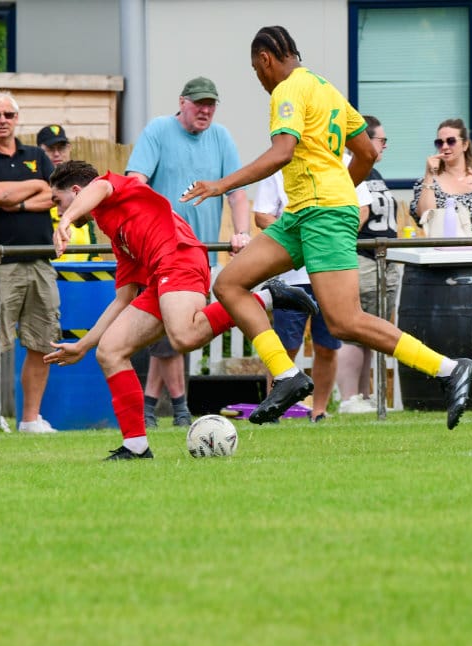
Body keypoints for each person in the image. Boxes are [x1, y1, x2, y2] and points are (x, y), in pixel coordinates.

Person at [181, 25, 472, 430]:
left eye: (256, 70)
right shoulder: (327, 90)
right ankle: (286, 375)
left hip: (322, 214)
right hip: (302, 213)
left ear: (266, 60)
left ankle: (449, 369)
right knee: (230, 284)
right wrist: (338, 190)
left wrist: (222, 185)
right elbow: (367, 153)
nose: (260, 80)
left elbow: (282, 153)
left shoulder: (287, 90)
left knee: (343, 321)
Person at [46, 160, 315, 460]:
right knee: (110, 351)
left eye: (58, 201)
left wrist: (66, 220)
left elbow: (100, 186)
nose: (58, 210)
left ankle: (266, 297)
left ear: (76, 191)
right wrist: (83, 346)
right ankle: (136, 446)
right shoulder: (115, 229)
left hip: (179, 258)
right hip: (159, 277)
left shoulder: (111, 187)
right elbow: (122, 299)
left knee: (184, 337)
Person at [125, 76, 250, 428]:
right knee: (171, 336)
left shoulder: (221, 137)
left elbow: (237, 193)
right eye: (199, 104)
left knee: (170, 335)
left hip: (201, 259)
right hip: (163, 253)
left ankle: (150, 408)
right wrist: (148, 224)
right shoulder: (158, 130)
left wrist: (241, 232)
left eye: (211, 104)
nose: (205, 110)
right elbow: (135, 182)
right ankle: (180, 410)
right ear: (182, 102)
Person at [0, 92, 60, 434]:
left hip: (41, 261)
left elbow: (56, 195)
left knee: (43, 341)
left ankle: (31, 419)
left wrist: (17, 203)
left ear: (17, 118)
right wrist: (35, 185)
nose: (2, 120)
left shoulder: (37, 155)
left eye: (8, 114)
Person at [253, 171, 368, 423]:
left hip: (331, 271)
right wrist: (299, 238)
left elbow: (362, 210)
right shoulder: (280, 166)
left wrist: (331, 238)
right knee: (285, 347)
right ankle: (274, 410)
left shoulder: (342, 162)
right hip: (291, 275)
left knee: (327, 347)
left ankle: (319, 411)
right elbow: (261, 215)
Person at [335, 115, 402, 415]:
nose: (384, 145)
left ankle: (364, 395)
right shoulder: (350, 168)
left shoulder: (374, 172)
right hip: (362, 258)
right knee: (355, 330)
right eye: (381, 140)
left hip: (383, 261)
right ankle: (349, 397)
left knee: (372, 333)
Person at [37, 124, 97, 262]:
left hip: (83, 269)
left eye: (61, 148)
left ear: (69, 148)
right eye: (50, 149)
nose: (57, 154)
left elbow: (89, 227)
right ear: (38, 152)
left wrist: (94, 258)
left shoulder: (80, 182)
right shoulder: (35, 184)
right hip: (48, 269)